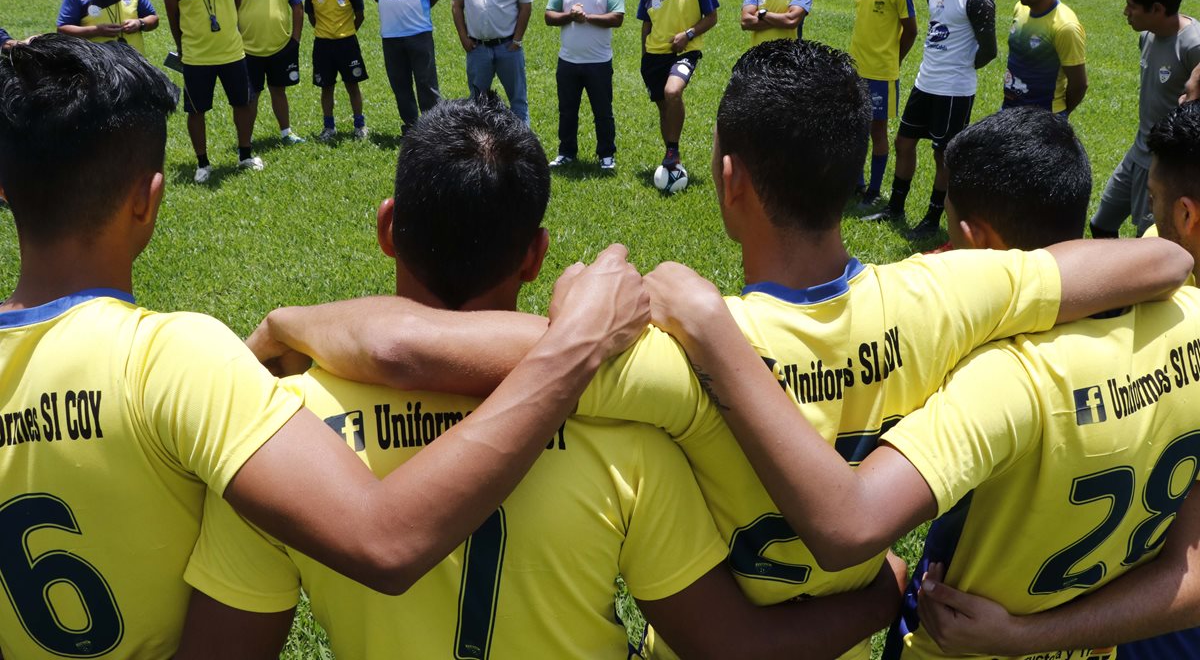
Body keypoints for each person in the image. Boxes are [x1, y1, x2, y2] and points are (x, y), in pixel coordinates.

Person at [245, 41, 1182, 660]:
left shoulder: (677, 353)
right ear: (853, 171)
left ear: (728, 182)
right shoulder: (946, 296)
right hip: (842, 637)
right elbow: (1155, 259)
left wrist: (291, 324)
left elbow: (414, 349)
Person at [175, 92, 906, 660]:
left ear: (388, 228)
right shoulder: (623, 429)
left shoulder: (282, 433)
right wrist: (884, 595)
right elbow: (732, 648)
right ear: (535, 256)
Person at [0, 34, 653, 659]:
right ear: (149, 199)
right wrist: (579, 341)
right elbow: (384, 537)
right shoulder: (171, 360)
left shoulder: (243, 384)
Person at [649, 105, 1200, 660]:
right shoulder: (1190, 320)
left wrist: (710, 327)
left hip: (956, 642)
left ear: (976, 241)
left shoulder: (1004, 379)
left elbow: (851, 522)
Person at [904, 101, 1200, 660]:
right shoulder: (1182, 312)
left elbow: (852, 520)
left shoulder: (1006, 375)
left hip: (978, 635)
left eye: (1155, 200)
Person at [866, 0, 997, 240]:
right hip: (925, 81)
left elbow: (989, 50)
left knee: (943, 156)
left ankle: (931, 219)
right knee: (904, 143)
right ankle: (895, 208)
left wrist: (959, 66)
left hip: (954, 90)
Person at [1091, 0, 1200, 238]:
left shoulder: (1192, 46)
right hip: (1137, 152)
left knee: (1150, 239)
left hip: (1165, 162)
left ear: (1157, 9)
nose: (1125, 12)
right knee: (1101, 225)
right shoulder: (1147, 37)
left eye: (1132, 6)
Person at [162, 0, 262, 183]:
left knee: (242, 103)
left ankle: (245, 154)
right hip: (197, 57)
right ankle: (203, 163)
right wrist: (183, 46)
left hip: (232, 52)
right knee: (196, 111)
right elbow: (173, 17)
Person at [847, 0, 917, 207]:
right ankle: (857, 183)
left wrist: (893, 60)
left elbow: (911, 30)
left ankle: (874, 191)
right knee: (855, 127)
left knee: (876, 130)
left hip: (881, 73)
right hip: (855, 68)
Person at [637, 0, 719, 173]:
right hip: (654, 55)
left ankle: (673, 149)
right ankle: (671, 156)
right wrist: (644, 55)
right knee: (664, 109)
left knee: (673, 92)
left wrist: (688, 34)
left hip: (684, 51)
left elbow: (712, 17)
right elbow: (646, 24)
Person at [545, 0, 625, 170]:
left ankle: (606, 155)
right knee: (567, 111)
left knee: (603, 112)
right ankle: (566, 152)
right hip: (568, 61)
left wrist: (586, 17)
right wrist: (570, 15)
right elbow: (549, 16)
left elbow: (617, 18)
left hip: (599, 62)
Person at [451, 0, 534, 125]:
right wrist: (463, 38)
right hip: (478, 48)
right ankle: (481, 143)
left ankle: (522, 143)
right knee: (476, 104)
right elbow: (456, 5)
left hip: (509, 48)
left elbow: (525, 7)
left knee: (518, 101)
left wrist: (517, 40)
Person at [367, 0, 442, 134]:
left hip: (419, 33)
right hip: (391, 36)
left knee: (426, 83)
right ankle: (411, 128)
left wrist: (416, 11)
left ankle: (432, 130)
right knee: (400, 84)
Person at [1001, 0, 1087, 118]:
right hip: (1009, 110)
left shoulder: (1066, 27)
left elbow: (1079, 85)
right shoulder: (1020, 8)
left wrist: (1057, 117)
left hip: (1043, 119)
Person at [237, 0, 305, 145]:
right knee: (251, 96)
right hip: (248, 50)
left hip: (280, 47)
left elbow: (297, 5)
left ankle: (286, 133)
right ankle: (246, 141)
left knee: (279, 90)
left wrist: (295, 39)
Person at [306, 0, 368, 141]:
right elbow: (312, 17)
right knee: (326, 87)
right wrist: (327, 32)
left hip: (347, 45)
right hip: (323, 46)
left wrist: (346, 32)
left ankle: (359, 125)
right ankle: (329, 127)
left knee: (352, 85)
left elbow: (360, 15)